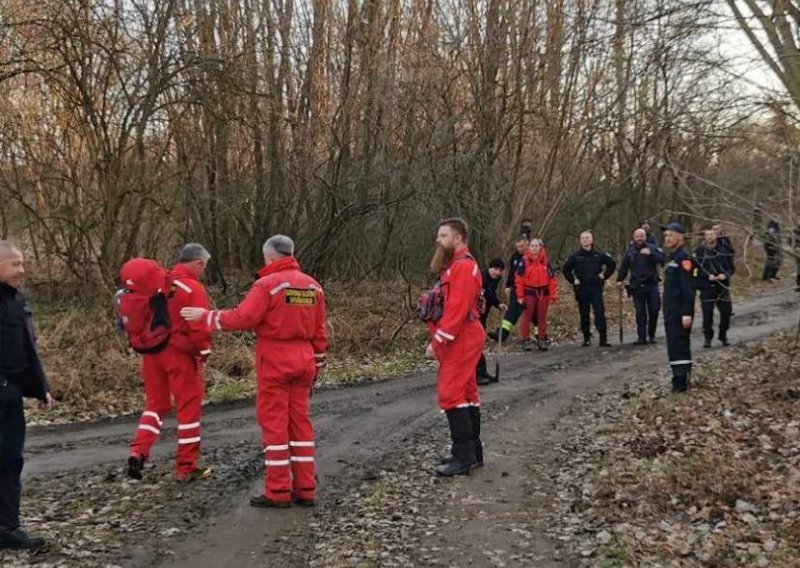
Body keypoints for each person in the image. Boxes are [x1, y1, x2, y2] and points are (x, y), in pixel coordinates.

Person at [182, 235, 327, 508]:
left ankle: (278, 491)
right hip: (304, 358)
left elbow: (243, 317)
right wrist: (317, 363)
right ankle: (306, 488)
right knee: (300, 424)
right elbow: (320, 332)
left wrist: (207, 317)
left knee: (274, 424)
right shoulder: (313, 287)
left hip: (275, 357)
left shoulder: (267, 285)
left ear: (269, 257)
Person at [125, 244, 213, 482]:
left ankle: (138, 451)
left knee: (155, 406)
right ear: (197, 263)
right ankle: (186, 466)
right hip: (180, 356)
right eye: (203, 266)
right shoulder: (191, 288)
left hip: (151, 353)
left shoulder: (157, 284)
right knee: (188, 409)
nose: (203, 271)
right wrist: (204, 352)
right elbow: (199, 327)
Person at [0, 240, 53, 550]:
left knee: (9, 461)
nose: (22, 270)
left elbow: (27, 349)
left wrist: (39, 388)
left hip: (10, 397)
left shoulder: (15, 301)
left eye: (22, 263)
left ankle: (7, 527)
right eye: (15, 264)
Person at [423, 218, 484, 476]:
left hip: (462, 336)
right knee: (467, 391)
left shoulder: (461, 267)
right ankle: (472, 451)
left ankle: (464, 456)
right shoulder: (457, 266)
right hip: (465, 333)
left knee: (450, 393)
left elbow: (457, 309)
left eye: (443, 235)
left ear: (457, 238)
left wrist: (438, 340)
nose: (438, 240)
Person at [562, 231, 617, 347]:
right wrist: (573, 280)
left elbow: (612, 264)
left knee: (599, 312)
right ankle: (586, 337)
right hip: (582, 288)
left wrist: (604, 275)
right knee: (584, 314)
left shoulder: (598, 254)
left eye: (587, 238)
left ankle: (603, 338)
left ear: (591, 240)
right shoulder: (575, 256)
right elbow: (566, 270)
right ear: (580, 241)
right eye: (583, 238)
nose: (585, 240)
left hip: (596, 287)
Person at [661, 223, 696, 393]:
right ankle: (680, 379)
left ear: (680, 237)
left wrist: (687, 313)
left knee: (679, 345)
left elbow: (688, 288)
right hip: (671, 309)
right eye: (666, 236)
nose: (667, 239)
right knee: (673, 345)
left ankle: (681, 383)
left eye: (670, 235)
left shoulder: (684, 258)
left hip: (680, 310)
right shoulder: (672, 257)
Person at [616, 228, 665, 345]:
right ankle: (641, 337)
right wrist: (619, 280)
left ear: (645, 237)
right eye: (637, 236)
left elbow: (662, 259)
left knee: (654, 310)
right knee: (640, 312)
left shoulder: (652, 248)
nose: (639, 238)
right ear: (634, 237)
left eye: (642, 236)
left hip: (651, 284)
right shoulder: (630, 252)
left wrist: (651, 254)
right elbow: (624, 267)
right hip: (636, 286)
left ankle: (651, 335)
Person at [514, 239, 558, 351]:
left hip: (543, 293)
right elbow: (518, 279)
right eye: (532, 246)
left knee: (542, 318)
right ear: (529, 247)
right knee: (527, 318)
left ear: (540, 247)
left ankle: (542, 339)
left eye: (536, 246)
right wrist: (520, 296)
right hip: (529, 292)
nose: (534, 248)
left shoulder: (545, 261)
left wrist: (553, 294)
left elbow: (552, 279)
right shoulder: (524, 261)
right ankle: (526, 340)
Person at [695, 228, 734, 348]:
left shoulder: (724, 250)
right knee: (707, 315)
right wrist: (707, 276)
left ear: (716, 236)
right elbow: (696, 270)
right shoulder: (700, 251)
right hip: (707, 287)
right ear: (704, 237)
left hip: (722, 286)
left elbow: (732, 268)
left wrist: (725, 275)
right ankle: (708, 337)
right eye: (707, 235)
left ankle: (723, 335)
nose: (710, 237)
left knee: (726, 312)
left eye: (712, 234)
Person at [488, 237, 529, 343]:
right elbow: (512, 272)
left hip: (529, 288)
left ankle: (540, 337)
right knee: (512, 310)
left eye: (521, 246)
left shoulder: (531, 256)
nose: (519, 249)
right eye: (517, 246)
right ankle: (502, 334)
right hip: (516, 287)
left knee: (533, 313)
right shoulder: (515, 257)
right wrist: (508, 285)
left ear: (526, 245)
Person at [477, 258, 506, 385]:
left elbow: (490, 295)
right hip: (474, 317)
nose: (497, 272)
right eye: (495, 269)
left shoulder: (494, 281)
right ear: (489, 268)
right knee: (475, 345)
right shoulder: (480, 279)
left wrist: (498, 303)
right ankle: (476, 374)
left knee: (479, 345)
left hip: (482, 316)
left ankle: (482, 372)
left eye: (500, 270)